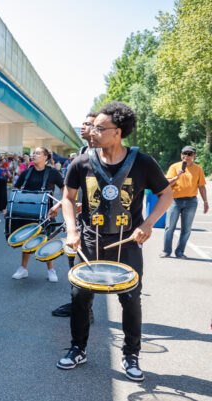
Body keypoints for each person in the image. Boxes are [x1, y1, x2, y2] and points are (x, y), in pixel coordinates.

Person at [57, 101, 173, 382]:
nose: (92, 131)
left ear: (117, 132)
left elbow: (167, 194)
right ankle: (78, 349)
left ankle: (131, 355)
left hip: (127, 243)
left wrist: (147, 225)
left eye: (99, 128)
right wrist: (72, 231)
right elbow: (68, 198)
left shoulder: (142, 162)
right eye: (93, 126)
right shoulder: (82, 161)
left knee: (131, 299)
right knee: (80, 298)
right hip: (89, 240)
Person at [52, 113, 97, 317]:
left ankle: (85, 308)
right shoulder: (82, 151)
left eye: (88, 124)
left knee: (88, 264)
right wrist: (62, 204)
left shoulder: (104, 152)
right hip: (82, 216)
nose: (83, 126)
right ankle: (78, 305)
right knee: (75, 260)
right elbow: (72, 190)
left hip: (100, 220)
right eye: (83, 123)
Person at [10, 147, 64, 281]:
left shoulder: (53, 173)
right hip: (26, 211)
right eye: (34, 153)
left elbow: (66, 189)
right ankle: (23, 269)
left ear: (46, 157)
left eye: (38, 153)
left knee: (46, 239)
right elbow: (16, 189)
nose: (34, 155)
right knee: (27, 238)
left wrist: (60, 204)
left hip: (46, 212)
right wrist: (9, 207)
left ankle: (51, 270)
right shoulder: (26, 173)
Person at [161, 146, 208, 258]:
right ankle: (166, 251)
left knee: (186, 229)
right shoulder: (174, 167)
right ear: (181, 155)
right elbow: (167, 184)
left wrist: (205, 202)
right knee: (169, 227)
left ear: (194, 156)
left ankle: (180, 252)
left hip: (191, 202)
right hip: (174, 201)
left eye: (189, 154)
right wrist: (177, 176)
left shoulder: (198, 169)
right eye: (184, 153)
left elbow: (202, 186)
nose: (186, 156)